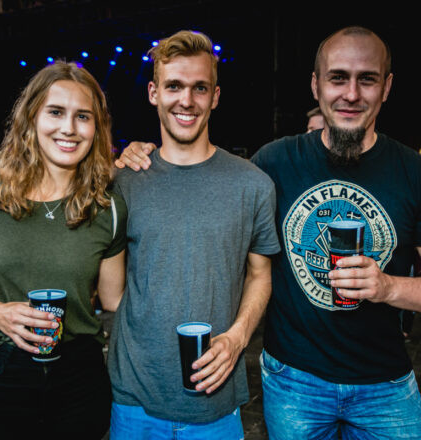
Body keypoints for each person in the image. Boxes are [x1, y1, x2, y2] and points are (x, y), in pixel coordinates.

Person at [116, 26, 421, 439]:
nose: (351, 93)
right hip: (294, 382)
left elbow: (257, 268)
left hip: (385, 386)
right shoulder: (273, 163)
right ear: (316, 85)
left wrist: (387, 287)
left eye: (366, 79)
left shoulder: (411, 171)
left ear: (386, 87)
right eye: (337, 78)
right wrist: (131, 154)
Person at [108, 30, 279, 439]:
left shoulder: (253, 185)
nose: (186, 101)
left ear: (215, 96)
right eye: (174, 86)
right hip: (134, 401)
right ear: (153, 93)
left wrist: (238, 339)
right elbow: (109, 290)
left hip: (216, 405)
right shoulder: (124, 180)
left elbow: (260, 275)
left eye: (199, 88)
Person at [0, 61, 127, 439]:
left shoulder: (107, 207)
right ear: (31, 117)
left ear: (97, 128)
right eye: (56, 112)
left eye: (83, 116)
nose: (69, 128)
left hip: (77, 381)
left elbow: (115, 300)